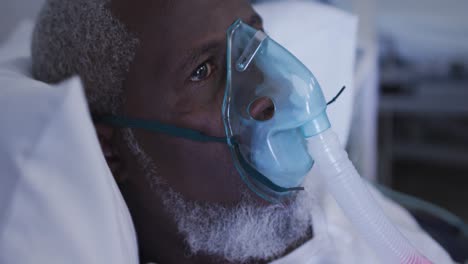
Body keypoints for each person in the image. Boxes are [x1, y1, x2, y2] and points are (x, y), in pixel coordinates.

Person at [31, 0, 453, 263]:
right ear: (109, 150)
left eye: (255, 38)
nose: (279, 86)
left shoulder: (328, 190)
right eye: (203, 70)